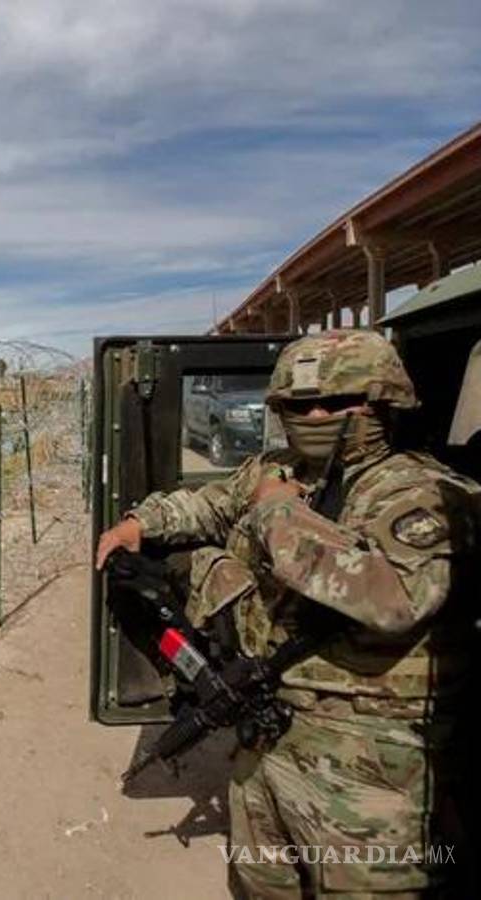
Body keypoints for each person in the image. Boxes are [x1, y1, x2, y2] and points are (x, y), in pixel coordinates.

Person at [95, 329, 480, 898]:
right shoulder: (275, 469)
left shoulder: (422, 493)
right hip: (267, 733)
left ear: (383, 405)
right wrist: (143, 523)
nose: (317, 415)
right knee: (259, 881)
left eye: (338, 403)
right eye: (300, 405)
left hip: (367, 761)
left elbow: (394, 598)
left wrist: (279, 515)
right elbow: (210, 505)